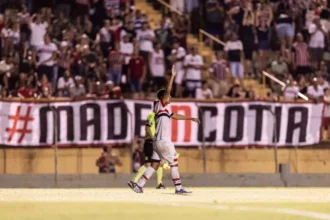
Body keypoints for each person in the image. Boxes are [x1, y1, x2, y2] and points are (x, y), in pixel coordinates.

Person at [129, 65, 200, 194]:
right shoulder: (161, 105)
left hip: (157, 141)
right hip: (164, 141)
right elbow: (167, 92)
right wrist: (172, 77)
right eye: (168, 96)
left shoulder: (163, 109)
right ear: (164, 98)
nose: (170, 97)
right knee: (174, 164)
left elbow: (176, 117)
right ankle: (178, 188)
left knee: (155, 164)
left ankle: (139, 185)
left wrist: (190, 118)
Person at [128, 101, 166, 189]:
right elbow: (147, 128)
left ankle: (159, 184)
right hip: (151, 142)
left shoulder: (158, 116)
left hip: (152, 142)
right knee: (149, 164)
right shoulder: (152, 115)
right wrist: (153, 139)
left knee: (157, 163)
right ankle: (134, 181)